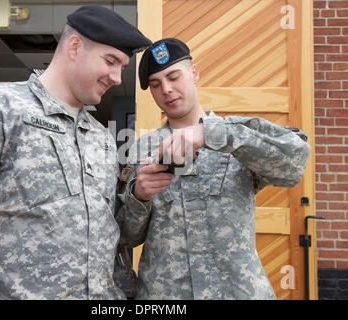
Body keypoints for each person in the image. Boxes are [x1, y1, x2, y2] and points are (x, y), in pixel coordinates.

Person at [0, 5, 151, 299]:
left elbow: (110, 239)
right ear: (75, 47)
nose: (117, 77)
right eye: (111, 61)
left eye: (122, 68)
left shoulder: (101, 138)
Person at [117, 38, 311, 299]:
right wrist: (139, 197)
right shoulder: (143, 150)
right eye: (155, 84)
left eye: (174, 77)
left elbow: (293, 164)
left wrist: (213, 134)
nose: (166, 89)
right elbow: (126, 237)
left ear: (194, 73)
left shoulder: (235, 134)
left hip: (234, 291)